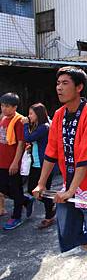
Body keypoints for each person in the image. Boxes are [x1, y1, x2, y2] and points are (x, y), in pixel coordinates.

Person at [32, 66, 87, 280]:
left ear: (79, 87)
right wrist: (41, 183)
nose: (59, 88)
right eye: (58, 83)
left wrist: (71, 191)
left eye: (65, 83)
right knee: (68, 232)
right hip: (70, 184)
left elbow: (86, 157)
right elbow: (51, 151)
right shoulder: (59, 115)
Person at [0, 92, 33, 230]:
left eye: (7, 106)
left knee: (15, 189)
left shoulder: (19, 120)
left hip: (13, 162)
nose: (4, 109)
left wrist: (15, 162)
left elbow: (21, 143)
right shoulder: (3, 119)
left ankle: (16, 217)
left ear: (15, 107)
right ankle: (25, 200)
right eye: (2, 106)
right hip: (1, 161)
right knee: (3, 188)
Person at [22, 103, 56, 229]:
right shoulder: (38, 126)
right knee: (32, 188)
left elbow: (28, 137)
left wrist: (25, 124)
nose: (29, 116)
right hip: (36, 163)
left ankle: (49, 215)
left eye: (31, 114)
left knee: (44, 191)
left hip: (45, 163)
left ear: (39, 114)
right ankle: (51, 205)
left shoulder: (44, 127)